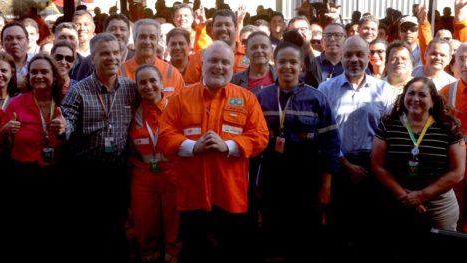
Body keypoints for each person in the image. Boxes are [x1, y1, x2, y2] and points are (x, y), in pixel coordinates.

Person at [157, 41, 269, 263]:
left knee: (232, 252)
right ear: (202, 64)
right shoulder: (181, 98)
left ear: (232, 66)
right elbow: (164, 134)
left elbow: (261, 135)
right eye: (213, 61)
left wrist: (228, 146)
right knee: (195, 253)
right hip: (192, 195)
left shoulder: (246, 98)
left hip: (231, 195)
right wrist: (193, 147)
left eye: (225, 62)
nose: (219, 66)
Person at [256, 41, 341, 262]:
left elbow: (331, 144)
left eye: (293, 62)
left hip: (307, 180)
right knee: (274, 238)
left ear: (302, 66)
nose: (287, 67)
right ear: (274, 63)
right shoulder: (261, 98)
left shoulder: (317, 98)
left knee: (306, 240)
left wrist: (326, 185)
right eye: (282, 61)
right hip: (272, 179)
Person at [371, 76, 465, 262]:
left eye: (422, 95)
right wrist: (405, 197)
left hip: (439, 204)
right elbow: (377, 165)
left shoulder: (448, 126)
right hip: (397, 200)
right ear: (403, 96)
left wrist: (421, 195)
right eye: (410, 93)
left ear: (432, 101)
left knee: (442, 253)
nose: (415, 99)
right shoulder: (388, 123)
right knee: (399, 251)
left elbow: (458, 171)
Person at [60, 33, 137, 262]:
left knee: (117, 228)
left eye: (115, 53)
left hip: (119, 172)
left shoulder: (131, 89)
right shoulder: (79, 90)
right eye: (105, 53)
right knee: (90, 233)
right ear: (92, 58)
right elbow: (68, 122)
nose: (111, 58)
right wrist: (64, 128)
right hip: (87, 174)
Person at [318, 35, 393, 262]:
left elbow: (389, 133)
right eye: (348, 54)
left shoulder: (384, 90)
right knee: (338, 228)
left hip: (373, 169)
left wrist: (373, 165)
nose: (354, 60)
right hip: (338, 166)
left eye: (360, 54)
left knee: (369, 230)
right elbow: (323, 133)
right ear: (341, 57)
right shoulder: (326, 88)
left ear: (369, 57)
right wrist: (345, 164)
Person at [0, 53, 66, 261]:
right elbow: (2, 144)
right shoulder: (17, 104)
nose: (38, 76)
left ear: (54, 76)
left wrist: (65, 129)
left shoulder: (64, 100)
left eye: (44, 71)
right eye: (34, 72)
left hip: (56, 173)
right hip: (23, 176)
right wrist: (5, 129)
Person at [129, 64, 180, 263]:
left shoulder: (176, 106)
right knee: (144, 220)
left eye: (153, 81)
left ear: (162, 84)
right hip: (143, 173)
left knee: (173, 220)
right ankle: (149, 255)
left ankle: (173, 254)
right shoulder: (133, 111)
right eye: (142, 82)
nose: (148, 86)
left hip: (172, 170)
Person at [120, 19, 185, 99]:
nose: (147, 42)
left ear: (158, 41)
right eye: (142, 37)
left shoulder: (172, 73)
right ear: (134, 40)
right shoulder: (120, 72)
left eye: (152, 37)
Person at [440, 42, 467, 232]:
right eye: (461, 59)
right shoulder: (445, 92)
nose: (466, 64)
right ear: (454, 63)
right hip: (454, 165)